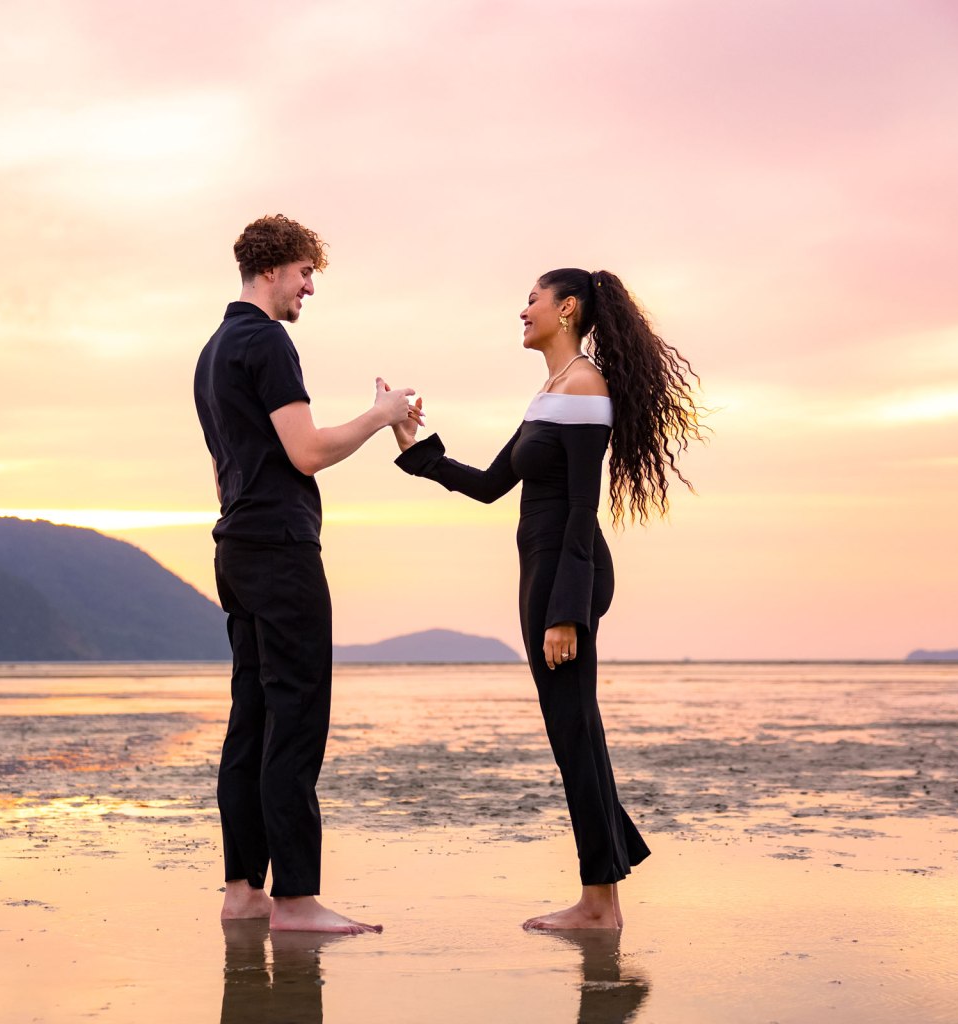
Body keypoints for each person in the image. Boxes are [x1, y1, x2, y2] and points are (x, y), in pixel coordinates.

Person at [391, 268, 702, 930]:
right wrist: (414, 449)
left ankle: (599, 904)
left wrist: (566, 612)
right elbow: (487, 485)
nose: (522, 309)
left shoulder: (585, 388)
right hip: (544, 572)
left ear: (567, 310)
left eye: (532, 299)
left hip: (567, 574)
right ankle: (607, 884)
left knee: (574, 736)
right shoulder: (551, 394)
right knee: (577, 734)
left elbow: (582, 509)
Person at [194, 214, 413, 934]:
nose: (309, 289)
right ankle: (296, 900)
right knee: (297, 717)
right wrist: (381, 416)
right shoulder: (267, 341)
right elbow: (308, 452)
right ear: (272, 271)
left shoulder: (212, 349)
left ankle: (241, 893)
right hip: (281, 550)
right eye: (304, 274)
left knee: (251, 718)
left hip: (236, 548)